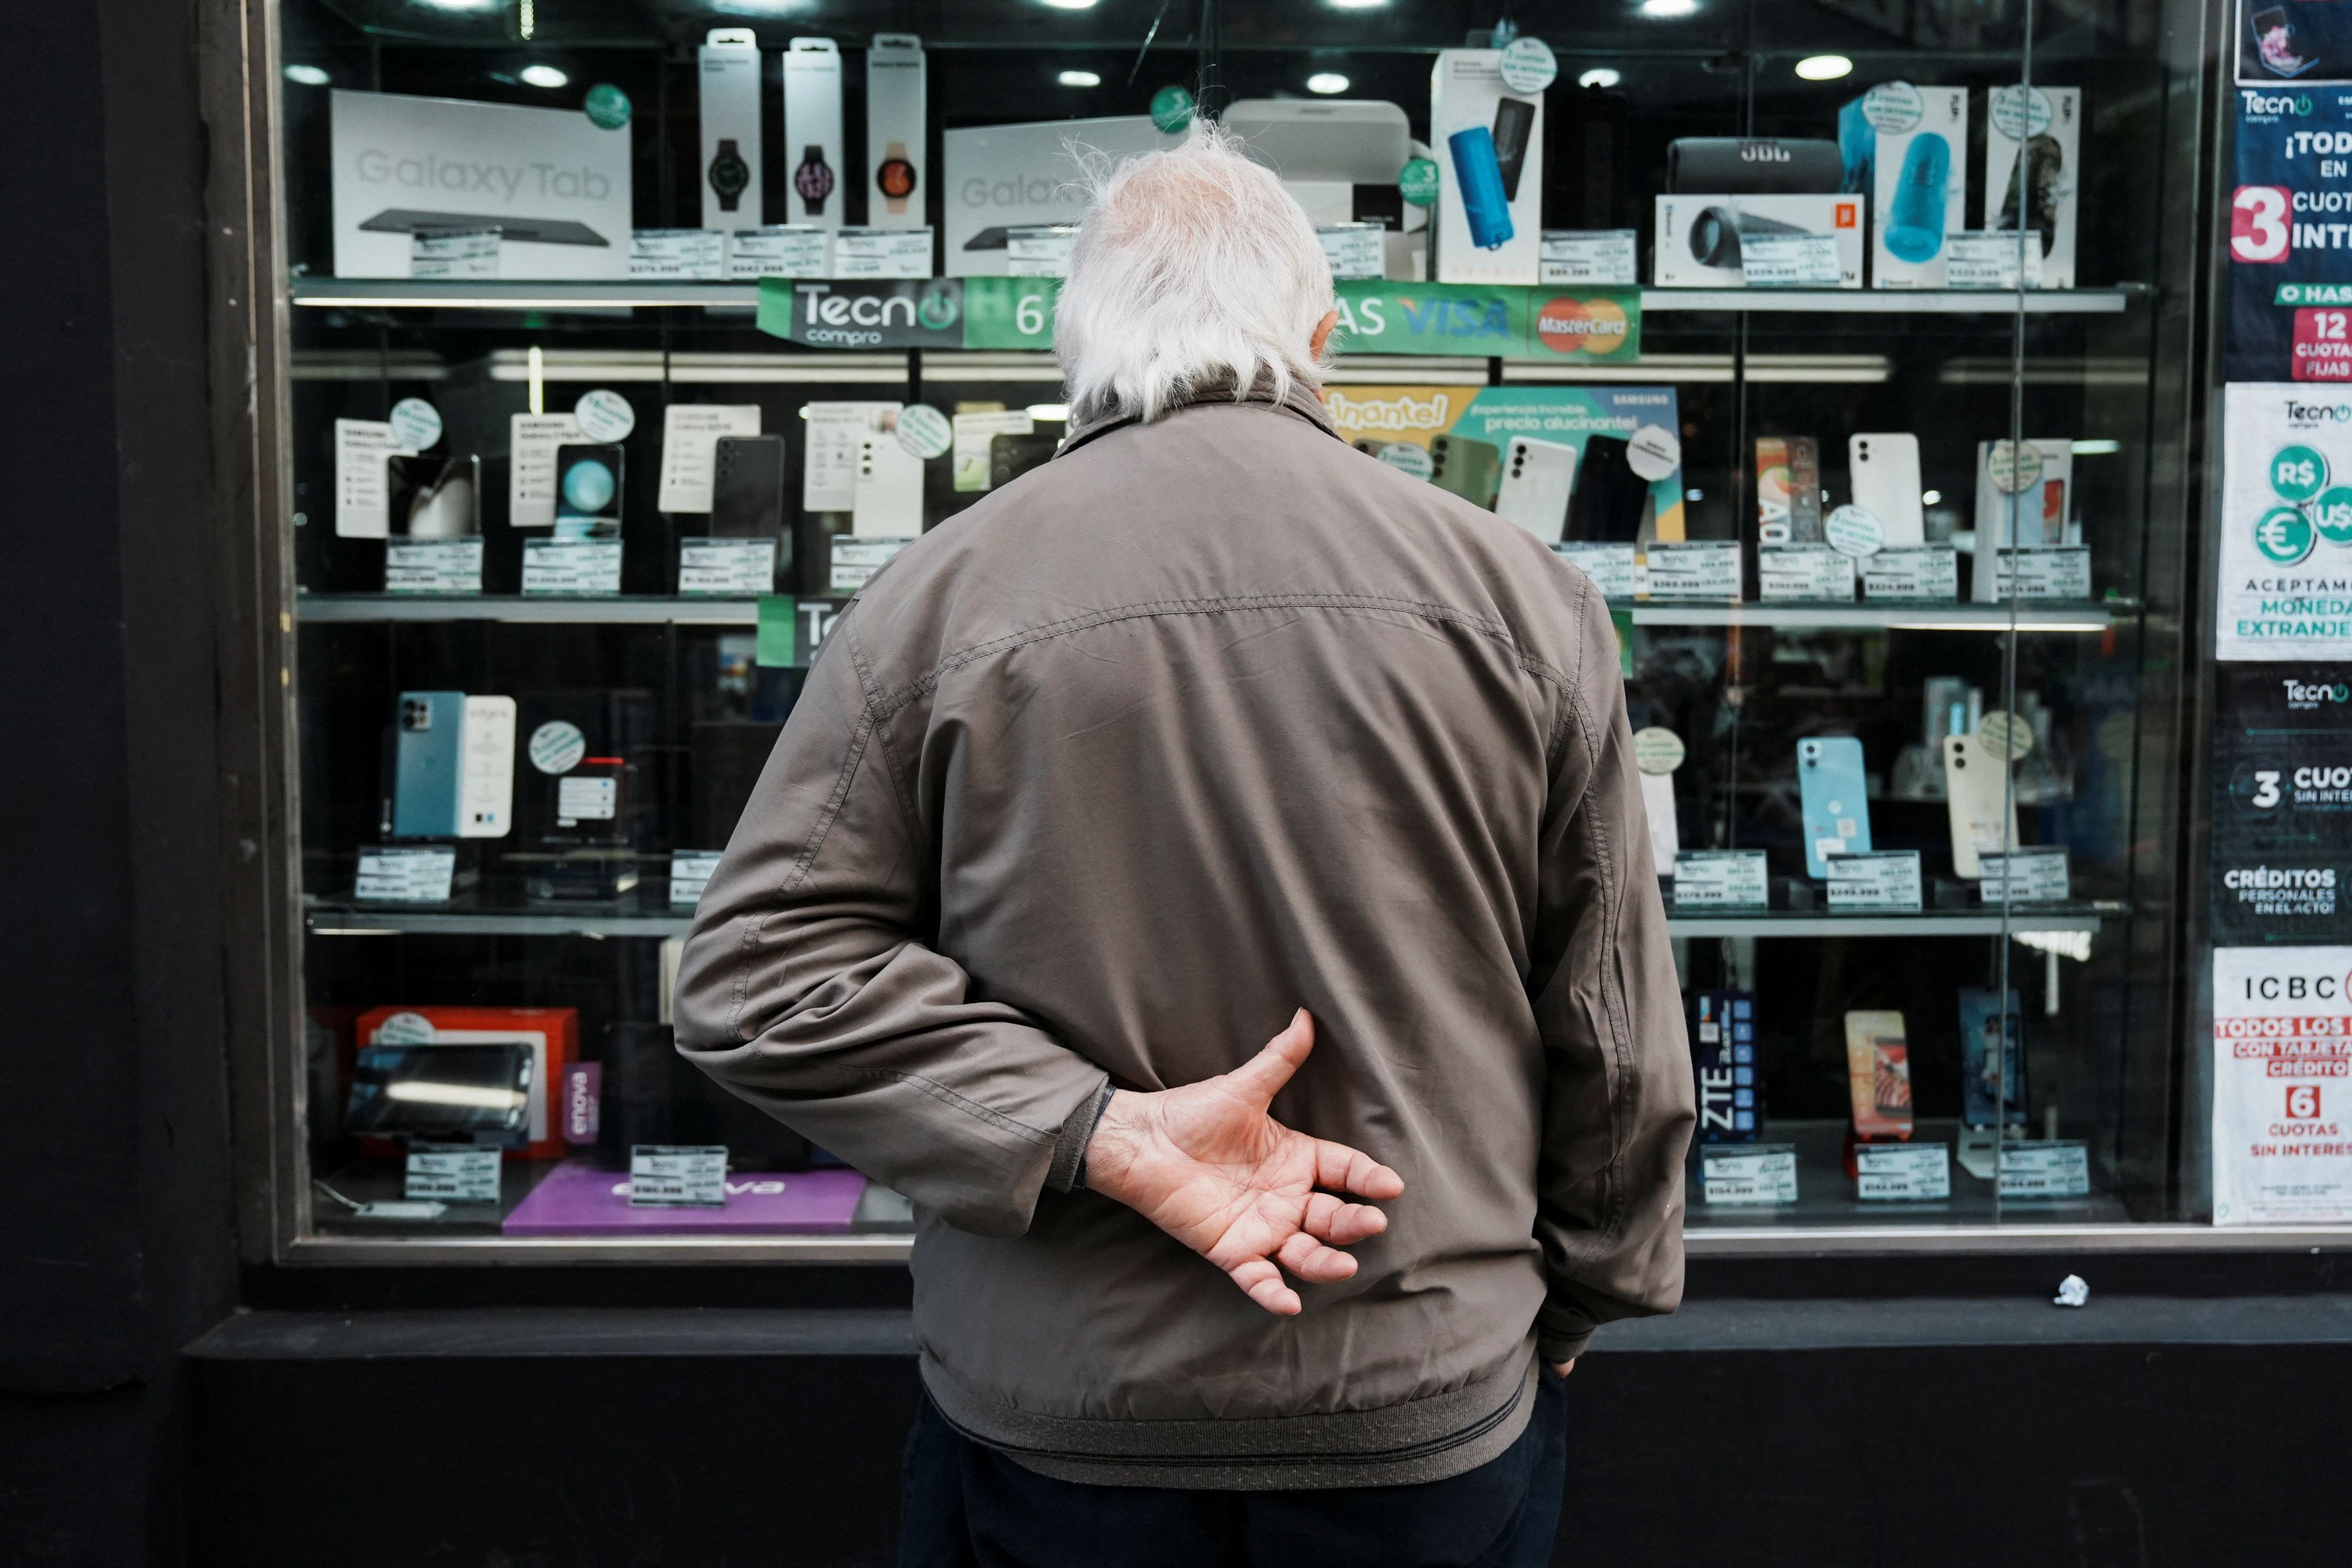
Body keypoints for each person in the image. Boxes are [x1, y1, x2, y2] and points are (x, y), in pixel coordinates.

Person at [674, 125, 1694, 1568]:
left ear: (1074, 353)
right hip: (1420, 1395)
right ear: (1321, 342)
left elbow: (755, 976)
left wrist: (1090, 1129)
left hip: (1060, 1416)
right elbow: (1615, 1033)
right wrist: (1590, 1287)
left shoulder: (933, 599)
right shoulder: (1524, 599)